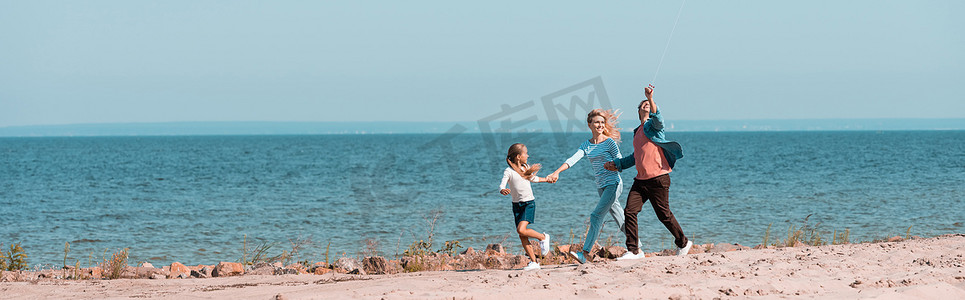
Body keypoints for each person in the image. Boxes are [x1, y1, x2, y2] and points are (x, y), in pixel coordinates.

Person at [604, 84, 692, 260]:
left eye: (648, 105)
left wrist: (650, 98)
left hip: (659, 178)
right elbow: (636, 157)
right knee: (629, 211)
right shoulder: (637, 132)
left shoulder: (654, 127)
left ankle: (683, 242)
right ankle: (634, 250)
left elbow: (659, 119)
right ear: (638, 111)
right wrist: (617, 164)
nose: (646, 105)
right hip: (640, 181)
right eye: (643, 104)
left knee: (663, 215)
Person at [545, 108, 629, 264]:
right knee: (619, 217)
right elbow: (572, 159)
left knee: (596, 216)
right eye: (597, 122)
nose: (600, 125)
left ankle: (584, 253)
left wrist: (614, 165)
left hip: (614, 184)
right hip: (601, 186)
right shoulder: (586, 145)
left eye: (602, 122)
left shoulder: (609, 142)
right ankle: (637, 246)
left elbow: (621, 162)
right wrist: (557, 172)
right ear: (589, 125)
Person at [499, 143, 552, 271]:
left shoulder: (525, 168)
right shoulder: (509, 171)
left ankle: (543, 237)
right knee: (522, 235)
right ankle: (534, 262)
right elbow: (502, 184)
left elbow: (533, 179)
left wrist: (547, 179)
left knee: (521, 230)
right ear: (518, 156)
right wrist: (502, 189)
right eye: (525, 153)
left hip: (529, 203)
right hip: (516, 205)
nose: (527, 155)